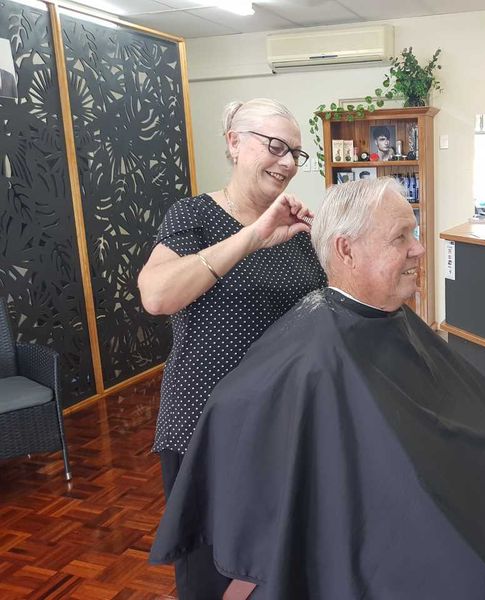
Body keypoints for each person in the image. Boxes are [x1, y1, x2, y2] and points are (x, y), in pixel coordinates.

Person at [150, 178, 485, 600]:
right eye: (400, 237)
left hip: (484, 498)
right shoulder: (314, 357)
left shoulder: (385, 323)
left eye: (414, 232)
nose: (420, 249)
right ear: (347, 250)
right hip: (434, 542)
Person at [137, 98, 327, 599]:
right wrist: (252, 236)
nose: (287, 162)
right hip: (207, 428)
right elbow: (156, 295)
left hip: (281, 423)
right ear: (233, 142)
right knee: (213, 570)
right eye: (275, 146)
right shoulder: (193, 216)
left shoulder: (295, 230)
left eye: (295, 153)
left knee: (274, 564)